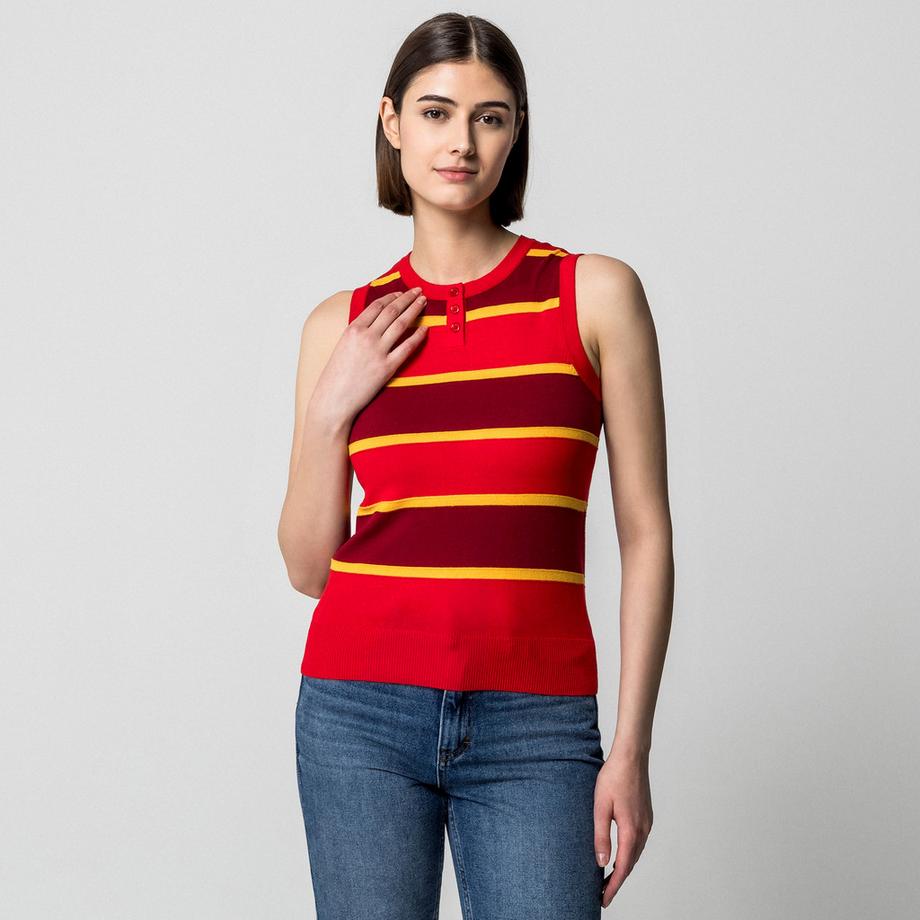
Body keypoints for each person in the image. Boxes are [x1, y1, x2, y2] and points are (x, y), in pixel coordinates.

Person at [277, 12, 673, 919]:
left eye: (489, 117)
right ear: (392, 122)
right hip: (357, 713)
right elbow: (307, 567)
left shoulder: (593, 294)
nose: (460, 141)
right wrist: (331, 406)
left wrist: (631, 748)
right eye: (436, 112)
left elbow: (646, 533)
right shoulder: (340, 326)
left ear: (515, 131)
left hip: (536, 721)